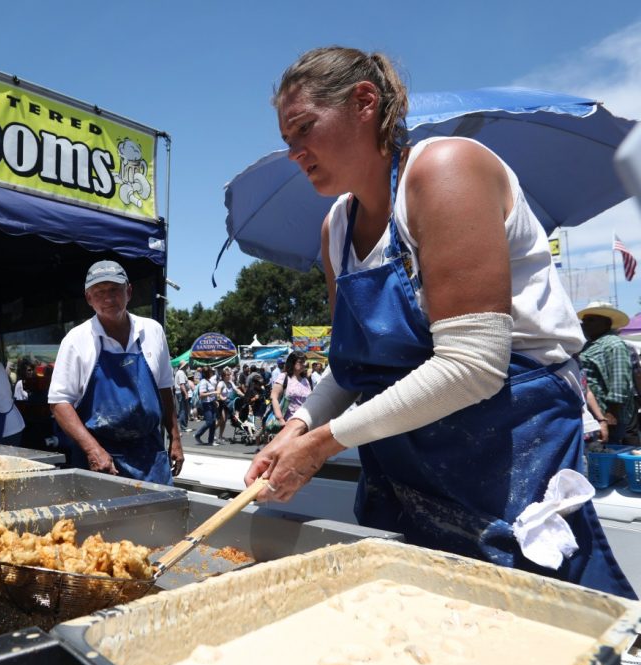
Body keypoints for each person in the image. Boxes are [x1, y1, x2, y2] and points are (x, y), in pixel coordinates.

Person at [245, 46, 635, 599]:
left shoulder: (446, 169)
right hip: (402, 453)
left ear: (363, 102)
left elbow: (472, 366)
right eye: (288, 142)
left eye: (304, 129)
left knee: (520, 614)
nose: (296, 153)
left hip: (507, 436)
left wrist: (323, 444)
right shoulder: (335, 229)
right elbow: (352, 370)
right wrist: (298, 428)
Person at [48, 261, 184, 483]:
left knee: (159, 516)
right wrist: (92, 450)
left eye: (114, 290)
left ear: (128, 292)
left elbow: (164, 387)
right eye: (99, 292)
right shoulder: (76, 340)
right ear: (89, 298)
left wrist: (176, 438)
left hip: (151, 454)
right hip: (103, 457)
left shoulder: (153, 331)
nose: (108, 299)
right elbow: (59, 403)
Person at [577, 302, 638, 445]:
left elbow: (619, 382)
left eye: (591, 320)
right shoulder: (590, 344)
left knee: (609, 457)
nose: (584, 324)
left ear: (605, 323)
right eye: (584, 321)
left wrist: (610, 414)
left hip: (608, 415)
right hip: (595, 414)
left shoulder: (613, 344)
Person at [269, 351, 312, 424]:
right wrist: (280, 418)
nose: (304, 364)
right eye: (300, 362)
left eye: (304, 362)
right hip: (287, 422)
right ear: (292, 362)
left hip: (304, 422)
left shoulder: (305, 380)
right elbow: (274, 397)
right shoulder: (283, 377)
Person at [192, 367, 218, 446]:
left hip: (211, 403)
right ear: (207, 373)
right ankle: (197, 434)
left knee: (213, 422)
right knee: (209, 422)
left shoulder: (208, 381)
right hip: (206, 404)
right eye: (211, 372)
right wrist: (214, 392)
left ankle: (211, 441)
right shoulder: (203, 382)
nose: (212, 373)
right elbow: (202, 394)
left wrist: (214, 400)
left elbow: (210, 393)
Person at [175, 364, 191, 431]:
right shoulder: (181, 373)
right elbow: (182, 385)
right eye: (187, 366)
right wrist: (186, 393)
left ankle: (183, 425)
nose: (187, 367)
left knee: (183, 409)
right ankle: (183, 426)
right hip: (181, 393)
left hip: (180, 392)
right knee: (183, 409)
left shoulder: (179, 372)